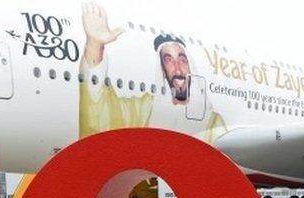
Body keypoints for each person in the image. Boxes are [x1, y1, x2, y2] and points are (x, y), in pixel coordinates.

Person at [78, 1, 226, 142]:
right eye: (168, 60)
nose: (177, 68)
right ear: (162, 69)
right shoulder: (144, 109)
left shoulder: (213, 123)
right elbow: (102, 113)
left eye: (182, 59)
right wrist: (95, 46)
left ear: (190, 67)